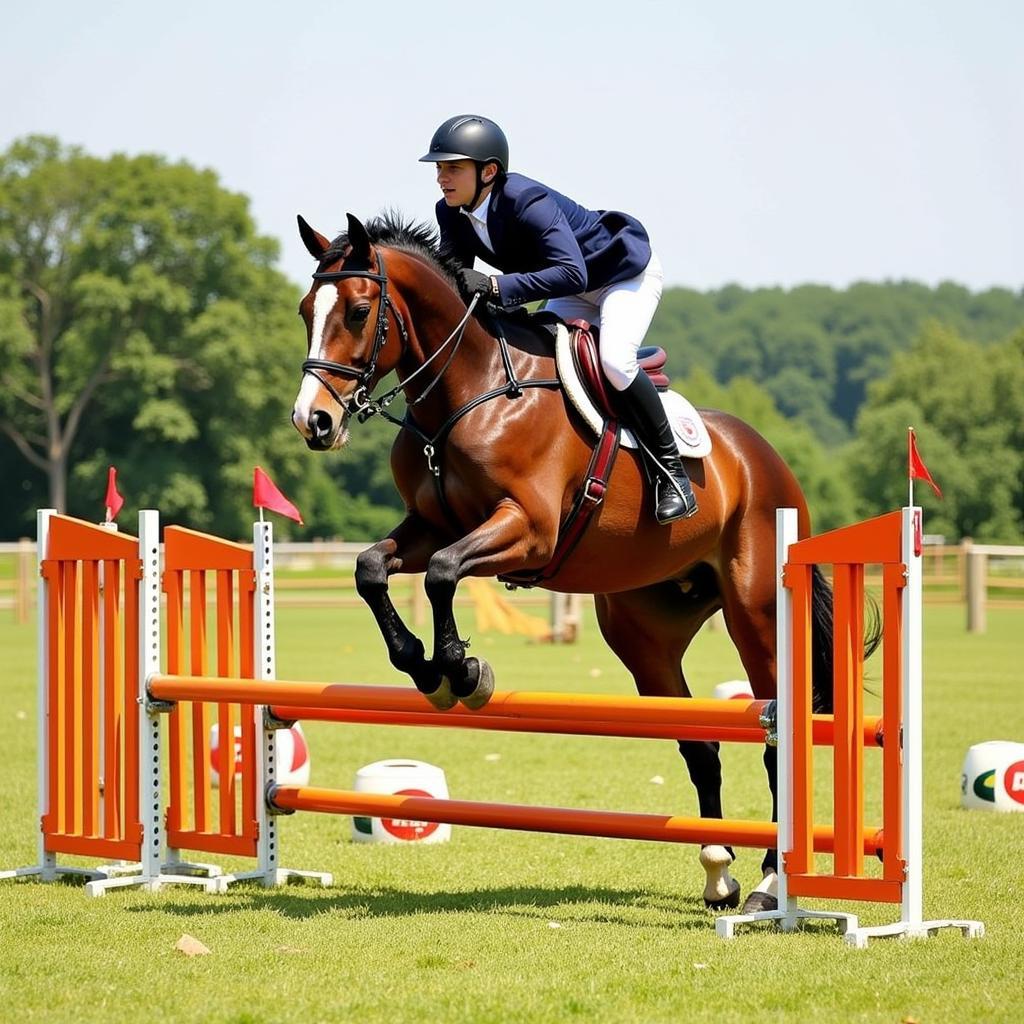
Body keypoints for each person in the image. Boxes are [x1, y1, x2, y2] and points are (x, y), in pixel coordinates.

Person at [419, 114, 698, 523]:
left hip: (620, 275)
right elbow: (460, 284)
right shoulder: (451, 212)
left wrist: (496, 288)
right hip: (570, 291)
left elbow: (573, 272)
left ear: (489, 171)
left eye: (453, 167)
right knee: (536, 357)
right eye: (440, 168)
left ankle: (673, 476)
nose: (442, 177)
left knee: (615, 362)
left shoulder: (526, 201)